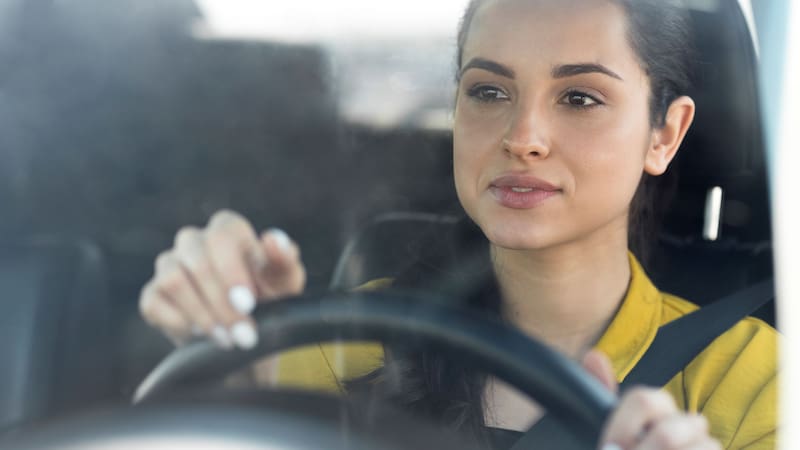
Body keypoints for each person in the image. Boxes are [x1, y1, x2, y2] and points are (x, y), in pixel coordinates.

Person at [138, 0, 778, 448]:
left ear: (664, 134)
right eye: (489, 92)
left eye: (580, 97)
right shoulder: (332, 346)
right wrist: (240, 375)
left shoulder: (755, 380)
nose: (522, 138)